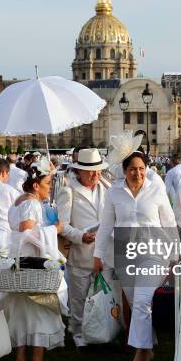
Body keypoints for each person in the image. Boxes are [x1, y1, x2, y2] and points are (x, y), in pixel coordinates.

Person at [93, 151, 178, 361]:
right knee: (135, 302)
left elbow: (169, 222)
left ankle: (140, 353)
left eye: (141, 168)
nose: (137, 173)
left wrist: (174, 256)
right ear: (124, 171)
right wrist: (97, 255)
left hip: (153, 252)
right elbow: (105, 226)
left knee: (141, 301)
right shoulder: (114, 193)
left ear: (147, 169)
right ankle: (148, 348)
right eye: (132, 169)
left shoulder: (156, 188)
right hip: (124, 254)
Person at [4, 160, 65, 361]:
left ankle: (20, 360)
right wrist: (53, 231)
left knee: (21, 313)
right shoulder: (31, 203)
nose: (51, 186)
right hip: (33, 266)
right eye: (48, 182)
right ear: (36, 185)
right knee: (40, 311)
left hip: (19, 265)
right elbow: (26, 232)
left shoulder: (18, 201)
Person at [56, 148, 109, 348]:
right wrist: (80, 236)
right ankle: (79, 336)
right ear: (79, 172)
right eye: (91, 172)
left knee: (100, 295)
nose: (95, 175)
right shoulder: (68, 191)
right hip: (81, 253)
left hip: (103, 251)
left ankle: (99, 331)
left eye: (97, 171)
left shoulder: (105, 188)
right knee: (79, 297)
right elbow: (62, 225)